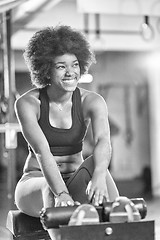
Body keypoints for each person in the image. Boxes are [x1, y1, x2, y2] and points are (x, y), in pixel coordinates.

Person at [14, 25, 119, 239]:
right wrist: (61, 193)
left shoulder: (92, 101)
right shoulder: (28, 103)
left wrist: (99, 174)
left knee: (104, 180)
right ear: (46, 70)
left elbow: (102, 140)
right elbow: (43, 152)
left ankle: (116, 232)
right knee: (49, 189)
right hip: (35, 182)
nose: (71, 72)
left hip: (74, 178)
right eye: (61, 66)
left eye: (75, 64)